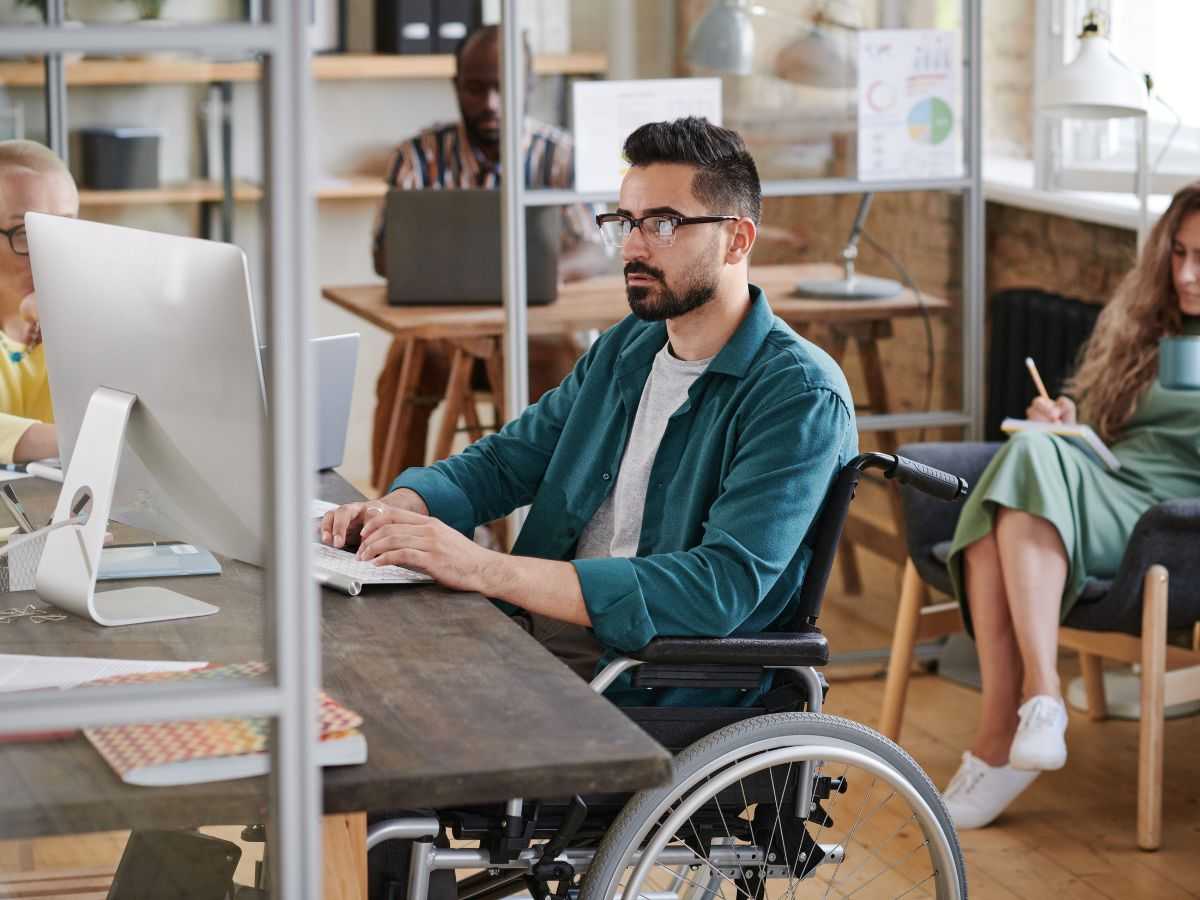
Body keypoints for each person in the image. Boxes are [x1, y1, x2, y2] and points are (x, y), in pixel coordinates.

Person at [334, 114, 856, 899]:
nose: (634, 246)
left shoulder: (797, 394)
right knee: (344, 694)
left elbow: (716, 588)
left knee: (382, 751)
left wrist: (487, 568)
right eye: (626, 221)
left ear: (738, 239)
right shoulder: (629, 349)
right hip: (557, 646)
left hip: (658, 683)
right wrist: (397, 506)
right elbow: (507, 459)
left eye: (665, 223)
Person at [941, 181, 1200, 830]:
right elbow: (1111, 426)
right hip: (1109, 479)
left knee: (1013, 484)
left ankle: (1016, 719)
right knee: (1030, 451)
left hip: (1171, 520)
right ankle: (1030, 710)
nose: (1188, 274)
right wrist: (1067, 419)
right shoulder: (1153, 329)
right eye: (1179, 254)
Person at [369, 23, 609, 485]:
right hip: (442, 333)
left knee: (565, 371)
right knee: (403, 366)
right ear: (456, 86)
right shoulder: (417, 156)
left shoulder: (559, 154)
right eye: (476, 88)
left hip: (532, 334)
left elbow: (594, 248)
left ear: (529, 86)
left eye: (503, 87)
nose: (490, 104)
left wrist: (541, 272)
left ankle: (556, 512)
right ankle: (388, 506)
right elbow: (384, 255)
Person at [0, 139, 77, 464]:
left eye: (62, 227)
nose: (46, 254)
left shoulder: (87, 321)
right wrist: (81, 439)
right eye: (23, 232)